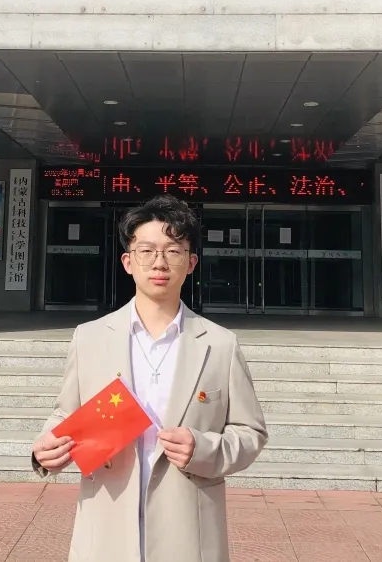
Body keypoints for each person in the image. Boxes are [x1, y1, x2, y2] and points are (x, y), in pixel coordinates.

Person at [30, 194, 268, 562]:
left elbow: (250, 433)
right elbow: (66, 413)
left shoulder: (220, 344)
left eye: (173, 251)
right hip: (106, 528)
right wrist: (45, 449)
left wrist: (203, 448)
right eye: (147, 251)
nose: (159, 262)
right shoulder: (90, 338)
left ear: (191, 263)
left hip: (188, 534)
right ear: (128, 262)